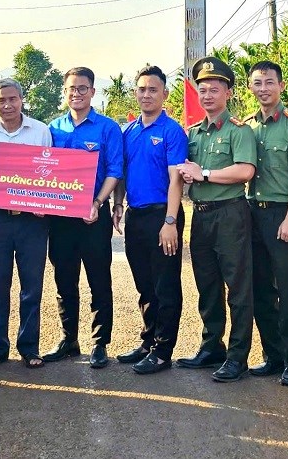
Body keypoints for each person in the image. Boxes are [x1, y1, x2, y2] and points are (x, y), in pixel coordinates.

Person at [176, 57, 257, 383]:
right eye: (203, 90)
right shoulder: (194, 133)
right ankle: (212, 347)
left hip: (231, 214)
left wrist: (204, 173)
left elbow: (246, 171)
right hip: (202, 216)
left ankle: (238, 356)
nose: (207, 95)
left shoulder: (239, 131)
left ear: (228, 93)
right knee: (207, 286)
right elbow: (186, 170)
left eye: (214, 89)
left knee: (238, 288)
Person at [0, 79, 52, 369]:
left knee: (32, 287)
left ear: (21, 99)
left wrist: (44, 202)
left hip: (32, 222)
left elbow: (52, 173)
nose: (7, 105)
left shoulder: (40, 131)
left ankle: (29, 348)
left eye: (12, 99)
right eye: (1, 100)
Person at [43, 67, 124, 369]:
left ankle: (100, 343)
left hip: (93, 216)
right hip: (60, 219)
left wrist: (98, 202)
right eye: (71, 89)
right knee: (64, 280)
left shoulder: (107, 128)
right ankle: (69, 339)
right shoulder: (52, 129)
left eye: (82, 88)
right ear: (64, 92)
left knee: (98, 279)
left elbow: (115, 170)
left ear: (92, 91)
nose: (76, 93)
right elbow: (42, 169)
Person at [114, 65, 188, 375]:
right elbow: (121, 173)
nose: (147, 95)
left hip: (163, 215)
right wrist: (118, 204)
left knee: (165, 285)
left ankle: (163, 350)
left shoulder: (172, 131)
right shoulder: (128, 131)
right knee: (144, 284)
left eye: (153, 90)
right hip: (136, 216)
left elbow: (176, 180)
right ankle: (148, 341)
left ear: (165, 94)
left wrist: (170, 222)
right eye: (142, 89)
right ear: (136, 93)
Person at [244, 61, 288, 387]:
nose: (264, 88)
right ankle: (273, 356)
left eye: (269, 82)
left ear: (281, 86)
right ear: (250, 88)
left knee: (287, 288)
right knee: (260, 288)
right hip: (252, 214)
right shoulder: (247, 126)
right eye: (258, 83)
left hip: (282, 213)